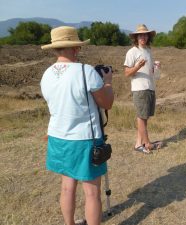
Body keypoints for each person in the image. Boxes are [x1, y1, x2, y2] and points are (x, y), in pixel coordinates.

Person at [40, 26, 114, 225]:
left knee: (67, 187)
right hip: (84, 140)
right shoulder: (85, 71)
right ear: (75, 48)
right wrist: (107, 82)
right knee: (91, 193)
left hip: (58, 137)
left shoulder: (46, 74)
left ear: (55, 48)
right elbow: (106, 103)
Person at [124, 24, 162, 153]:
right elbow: (127, 72)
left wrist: (155, 68)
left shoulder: (148, 51)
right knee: (141, 117)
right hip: (139, 88)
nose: (143, 37)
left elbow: (150, 72)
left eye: (145, 35)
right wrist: (138, 66)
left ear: (148, 37)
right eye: (140, 35)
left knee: (144, 117)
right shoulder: (132, 52)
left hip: (150, 87)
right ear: (136, 37)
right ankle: (147, 143)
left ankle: (138, 144)